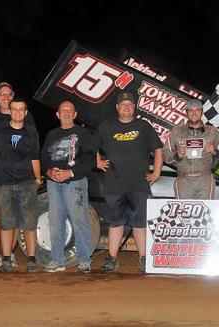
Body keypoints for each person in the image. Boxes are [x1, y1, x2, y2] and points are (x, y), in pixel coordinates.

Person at [96, 91, 163, 273]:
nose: (126, 107)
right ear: (117, 107)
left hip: (138, 185)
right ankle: (112, 258)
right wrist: (98, 161)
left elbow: (158, 148)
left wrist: (156, 172)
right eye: (123, 105)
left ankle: (143, 258)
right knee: (116, 222)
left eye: (130, 105)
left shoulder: (143, 126)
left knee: (139, 223)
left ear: (134, 108)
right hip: (114, 184)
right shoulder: (106, 126)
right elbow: (92, 145)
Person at [0, 82, 38, 269]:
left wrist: (37, 178)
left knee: (26, 222)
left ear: (24, 111)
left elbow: (34, 156)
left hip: (25, 182)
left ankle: (22, 257)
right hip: (1, 179)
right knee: (0, 218)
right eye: (1, 94)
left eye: (20, 109)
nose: (5, 98)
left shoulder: (30, 127)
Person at [41, 101, 95, 273]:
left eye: (69, 110)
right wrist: (48, 171)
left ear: (75, 114)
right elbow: (43, 157)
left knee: (79, 220)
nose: (66, 113)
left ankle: (84, 259)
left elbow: (90, 159)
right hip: (53, 183)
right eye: (62, 111)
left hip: (75, 182)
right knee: (55, 221)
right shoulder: (51, 134)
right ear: (57, 114)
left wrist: (69, 173)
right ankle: (57, 260)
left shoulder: (84, 133)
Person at [162, 99, 219, 199]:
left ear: (202, 112)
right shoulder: (176, 131)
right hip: (184, 180)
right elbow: (165, 155)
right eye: (190, 110)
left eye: (197, 110)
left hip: (205, 180)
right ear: (186, 113)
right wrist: (177, 155)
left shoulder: (212, 131)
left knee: (205, 213)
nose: (194, 113)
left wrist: (215, 152)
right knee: (184, 213)